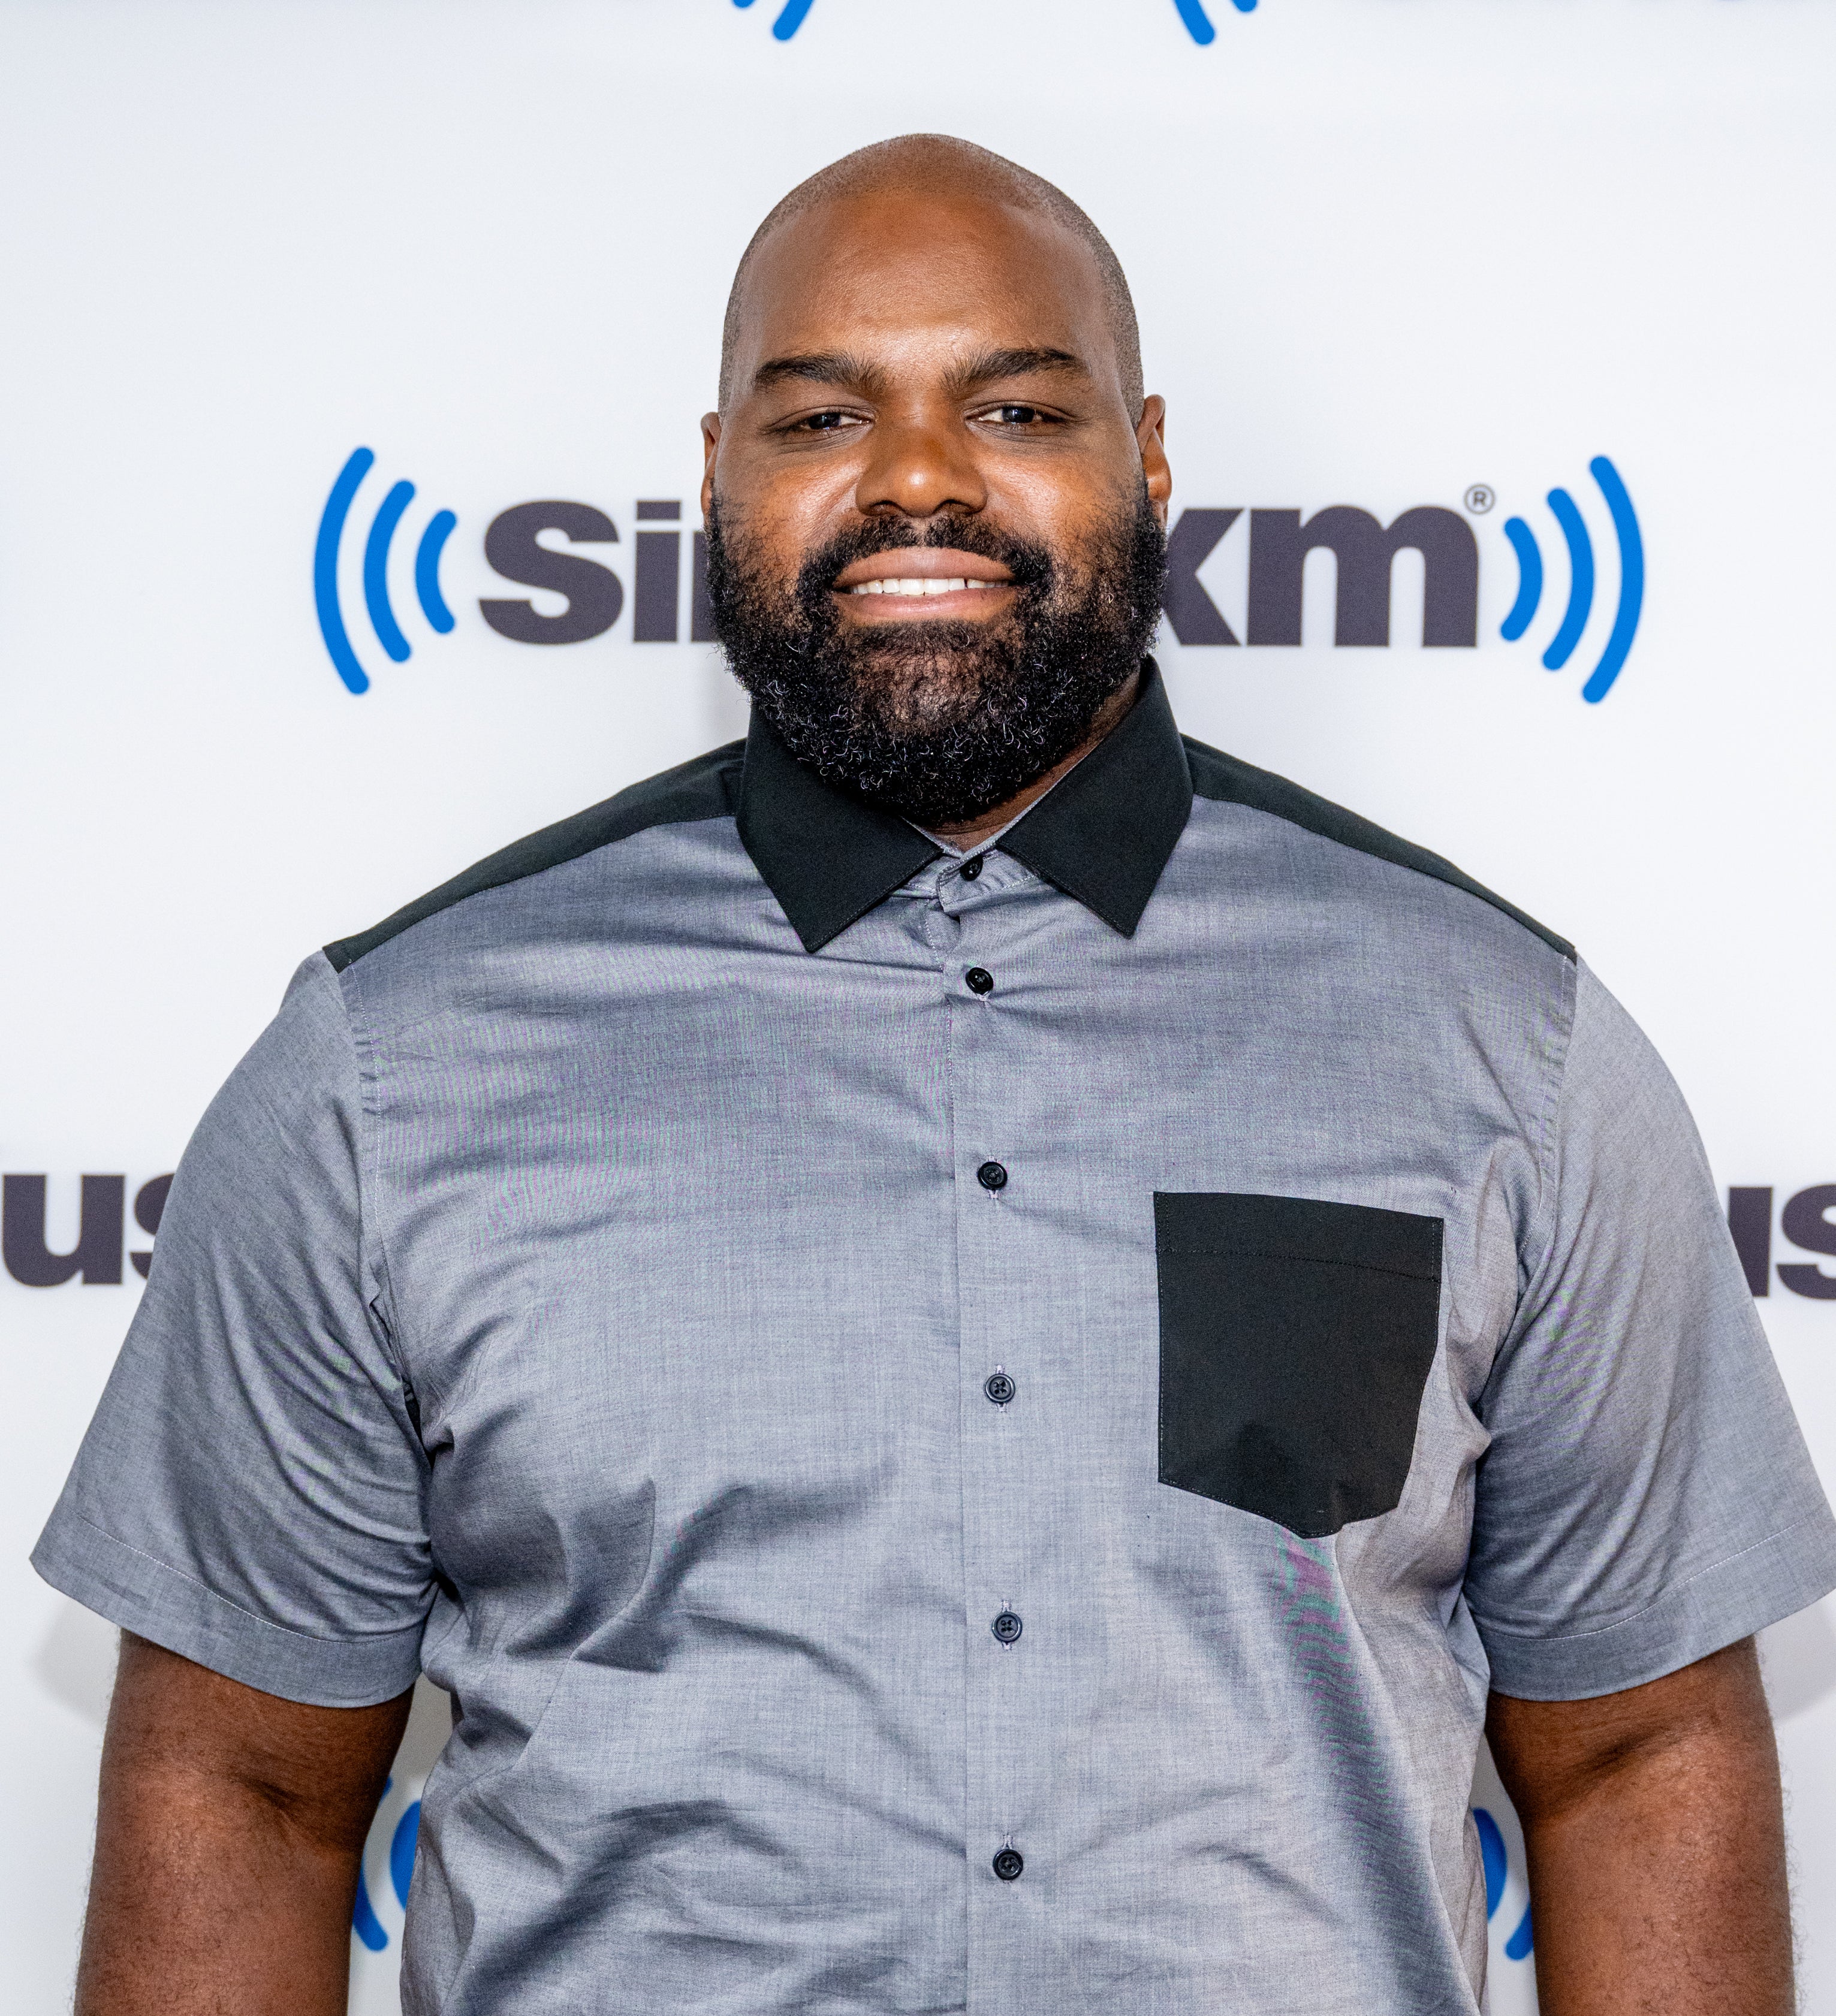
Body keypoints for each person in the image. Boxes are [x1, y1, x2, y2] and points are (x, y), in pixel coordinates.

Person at [35, 134, 1835, 2016]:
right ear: (712, 478)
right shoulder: (387, 1072)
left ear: (1146, 457)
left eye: (1014, 404)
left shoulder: (1499, 1042)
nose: (917, 476)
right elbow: (237, 1787)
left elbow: (1640, 1756)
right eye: (820, 417)